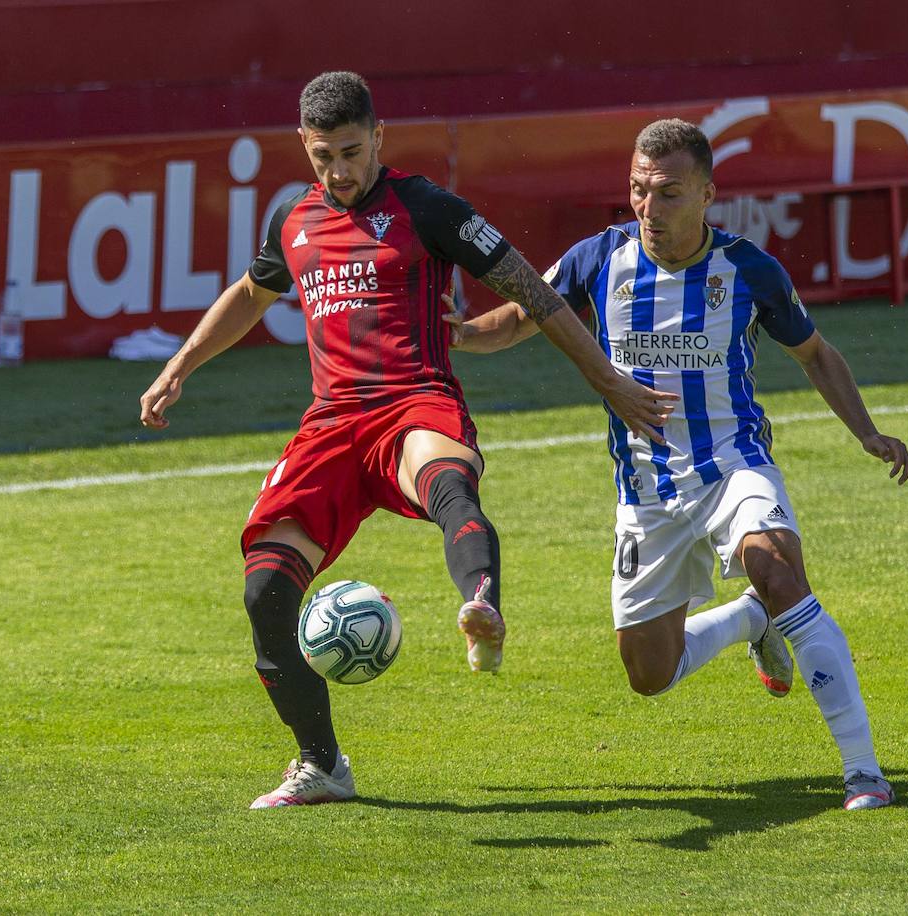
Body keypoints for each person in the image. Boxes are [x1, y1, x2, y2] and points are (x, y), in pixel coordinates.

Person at [138, 72, 676, 809]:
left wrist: (607, 380)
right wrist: (179, 366)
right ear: (305, 144)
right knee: (265, 588)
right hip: (330, 426)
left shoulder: (428, 208)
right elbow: (250, 295)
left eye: (353, 151)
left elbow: (536, 293)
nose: (339, 170)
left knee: (449, 484)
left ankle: (482, 606)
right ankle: (321, 764)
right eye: (324, 154)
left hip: (413, 402)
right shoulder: (291, 222)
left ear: (379, 137)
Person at [446, 118, 908, 811]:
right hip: (646, 492)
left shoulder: (749, 269)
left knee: (779, 567)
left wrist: (868, 433)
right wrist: (454, 335)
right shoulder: (597, 259)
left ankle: (864, 772)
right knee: (649, 674)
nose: (647, 208)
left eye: (666, 194)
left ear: (706, 194)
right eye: (638, 190)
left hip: (734, 466)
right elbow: (517, 319)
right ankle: (748, 623)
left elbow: (815, 353)